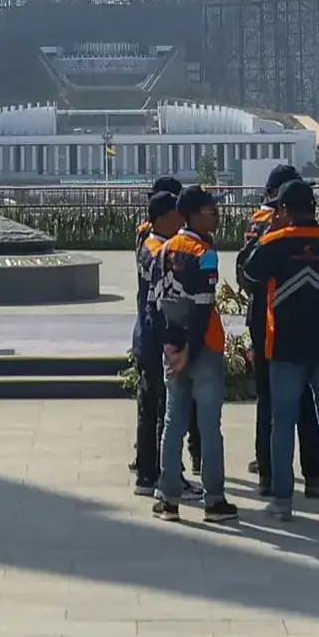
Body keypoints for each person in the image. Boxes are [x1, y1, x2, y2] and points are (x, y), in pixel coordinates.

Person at [243, 181, 319, 522]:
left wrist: (268, 233)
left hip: (285, 348)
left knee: (282, 424)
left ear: (283, 210)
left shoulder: (274, 243)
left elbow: (248, 276)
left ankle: (282, 501)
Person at [147, 188, 234, 522]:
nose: (217, 216)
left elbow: (154, 305)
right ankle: (214, 501)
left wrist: (170, 346)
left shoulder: (164, 250)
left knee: (173, 423)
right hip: (203, 348)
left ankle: (168, 500)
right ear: (194, 215)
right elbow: (203, 306)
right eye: (211, 211)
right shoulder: (205, 253)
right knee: (209, 426)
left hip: (174, 348)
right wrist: (189, 349)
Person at [128, 179, 185, 494]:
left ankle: (148, 472)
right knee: (161, 408)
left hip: (146, 335)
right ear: (163, 217)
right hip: (156, 338)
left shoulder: (148, 241)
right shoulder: (159, 250)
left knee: (150, 407)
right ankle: (160, 474)